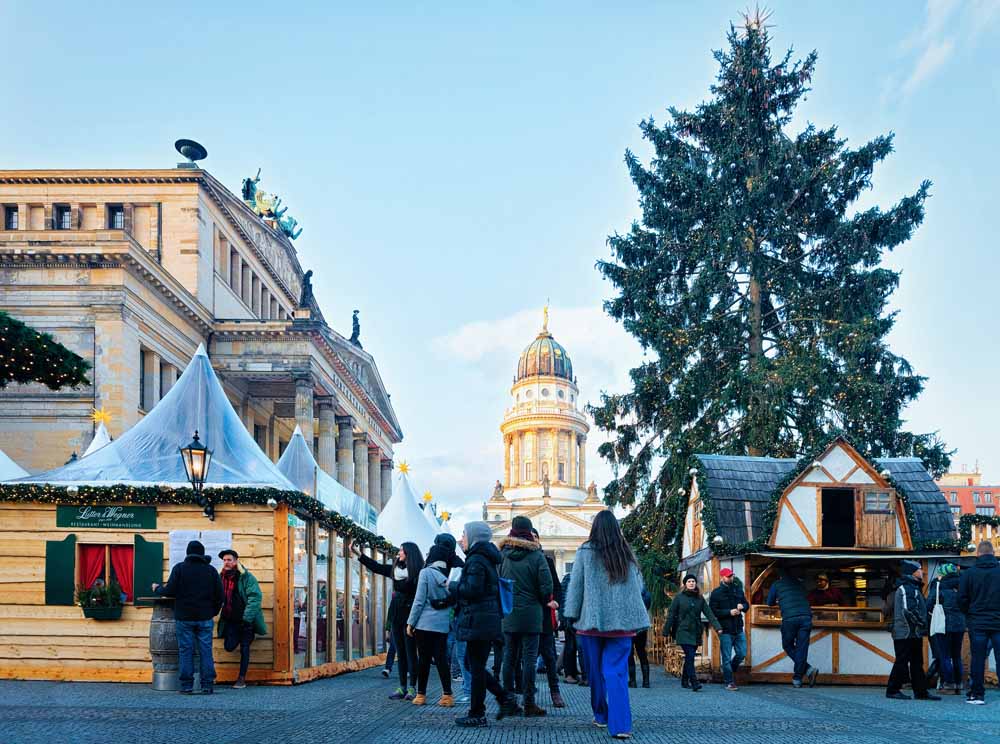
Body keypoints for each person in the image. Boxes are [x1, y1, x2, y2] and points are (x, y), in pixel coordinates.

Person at [564, 510, 650, 740]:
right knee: (616, 673)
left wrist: (571, 614)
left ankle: (601, 715)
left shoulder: (585, 552)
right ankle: (621, 725)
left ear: (594, 528)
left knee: (594, 673)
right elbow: (638, 588)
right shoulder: (626, 553)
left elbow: (576, 586)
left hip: (591, 623)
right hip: (621, 625)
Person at [443, 521, 520, 728]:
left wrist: (452, 586)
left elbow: (474, 590)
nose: (462, 538)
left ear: (474, 536)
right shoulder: (484, 557)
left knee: (475, 666)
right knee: (472, 664)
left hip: (479, 619)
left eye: (464, 534)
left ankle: (478, 713)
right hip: (483, 618)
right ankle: (504, 697)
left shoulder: (476, 559)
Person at [355, 540, 424, 700]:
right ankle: (402, 687)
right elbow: (377, 567)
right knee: (400, 652)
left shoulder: (419, 572)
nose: (398, 553)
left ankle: (413, 687)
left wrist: (414, 620)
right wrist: (360, 555)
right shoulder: (395, 570)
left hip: (410, 615)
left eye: (401, 551)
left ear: (409, 554)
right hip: (396, 614)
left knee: (411, 652)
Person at [153, 540, 222, 694]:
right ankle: (207, 685)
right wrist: (213, 612)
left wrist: (157, 588)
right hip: (205, 618)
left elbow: (169, 590)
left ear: (187, 553)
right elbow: (220, 596)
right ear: (202, 554)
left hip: (184, 618)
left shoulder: (180, 569)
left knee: (186, 651)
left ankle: (186, 686)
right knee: (205, 651)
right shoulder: (211, 571)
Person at [500, 515, 553, 717]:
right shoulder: (537, 555)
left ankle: (508, 702)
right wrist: (540, 599)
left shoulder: (502, 554)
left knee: (508, 658)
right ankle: (529, 703)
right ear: (530, 532)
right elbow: (546, 586)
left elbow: (498, 582)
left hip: (508, 613)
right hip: (532, 614)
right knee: (529, 659)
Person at [407, 542, 455, 707]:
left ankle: (421, 695)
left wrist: (410, 622)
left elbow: (419, 601)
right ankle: (447, 695)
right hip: (442, 625)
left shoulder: (426, 573)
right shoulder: (450, 574)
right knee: (441, 659)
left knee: (424, 660)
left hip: (424, 624)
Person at [886, 560, 940, 700]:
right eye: (920, 569)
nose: (923, 571)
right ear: (912, 572)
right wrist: (922, 623)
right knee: (902, 661)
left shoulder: (913, 587)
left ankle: (920, 692)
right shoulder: (907, 588)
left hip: (912, 632)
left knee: (916, 662)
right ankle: (892, 690)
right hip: (906, 632)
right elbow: (908, 609)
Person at [216, 549, 267, 689]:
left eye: (229, 560)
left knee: (245, 648)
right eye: (224, 560)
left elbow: (255, 597)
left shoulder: (246, 577)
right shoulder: (221, 577)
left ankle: (241, 678)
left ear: (236, 561)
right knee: (229, 646)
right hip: (230, 620)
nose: (226, 562)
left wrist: (247, 618)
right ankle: (240, 637)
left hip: (245, 620)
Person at [959, 540, 1000, 705]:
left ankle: (977, 694)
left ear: (978, 554)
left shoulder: (969, 573)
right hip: (998, 622)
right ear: (993, 553)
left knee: (977, 659)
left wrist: (969, 614)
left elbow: (961, 599)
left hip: (977, 622)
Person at [666, 574, 722, 692]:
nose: (691, 583)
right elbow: (671, 614)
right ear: (685, 584)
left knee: (689, 657)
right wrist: (666, 630)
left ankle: (684, 681)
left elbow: (709, 613)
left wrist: (718, 627)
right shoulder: (679, 598)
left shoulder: (699, 598)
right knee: (690, 656)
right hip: (683, 630)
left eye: (693, 581)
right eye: (689, 581)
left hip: (696, 631)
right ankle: (694, 681)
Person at [766, 568, 819, 688]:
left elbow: (769, 602)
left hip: (790, 618)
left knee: (787, 645)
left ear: (779, 576)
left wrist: (779, 600)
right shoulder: (799, 583)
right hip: (806, 617)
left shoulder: (777, 584)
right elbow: (805, 597)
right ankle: (798, 677)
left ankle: (806, 670)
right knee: (802, 648)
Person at [531, 528, 565, 707]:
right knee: (525, 659)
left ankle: (555, 691)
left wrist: (557, 602)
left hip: (544, 618)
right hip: (527, 617)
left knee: (550, 657)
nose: (533, 539)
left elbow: (557, 587)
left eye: (536, 536)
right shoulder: (519, 559)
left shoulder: (547, 561)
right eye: (531, 537)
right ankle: (526, 693)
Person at [926, 562, 965, 695]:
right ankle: (959, 684)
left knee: (945, 655)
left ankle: (948, 684)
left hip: (943, 625)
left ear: (943, 574)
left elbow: (929, 604)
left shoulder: (938, 586)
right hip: (960, 625)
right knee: (957, 656)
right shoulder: (962, 586)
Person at [709, 567, 748, 691]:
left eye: (731, 575)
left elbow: (747, 605)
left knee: (742, 653)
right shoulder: (716, 593)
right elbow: (713, 611)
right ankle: (729, 681)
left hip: (738, 628)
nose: (730, 578)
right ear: (722, 577)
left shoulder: (738, 590)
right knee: (726, 657)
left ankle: (729, 669)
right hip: (725, 629)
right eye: (728, 576)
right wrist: (729, 612)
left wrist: (743, 606)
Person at [558, 571, 583, 684]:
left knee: (570, 646)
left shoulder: (568, 578)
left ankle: (571, 673)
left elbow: (562, 599)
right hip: (573, 616)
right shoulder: (575, 578)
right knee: (573, 647)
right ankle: (570, 674)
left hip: (568, 616)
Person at [627, 582, 652, 689]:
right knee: (642, 652)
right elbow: (647, 605)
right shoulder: (645, 591)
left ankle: (632, 682)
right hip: (641, 626)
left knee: (630, 653)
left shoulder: (626, 591)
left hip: (629, 626)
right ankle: (646, 682)